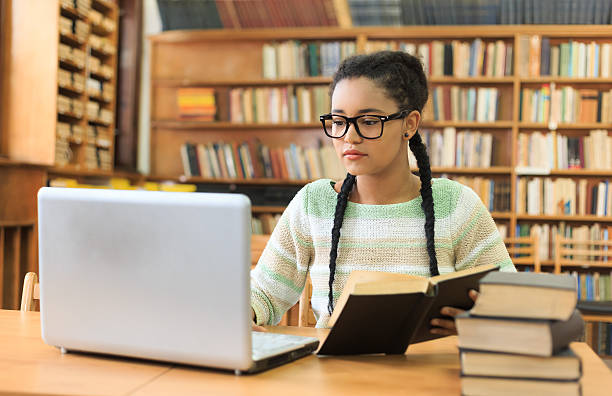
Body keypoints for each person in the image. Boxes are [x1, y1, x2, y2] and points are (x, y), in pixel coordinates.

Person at [250, 51, 515, 334]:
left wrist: (483, 320)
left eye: (369, 121)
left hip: (432, 371)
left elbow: (511, 301)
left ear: (409, 124)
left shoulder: (454, 205)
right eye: (339, 122)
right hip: (335, 373)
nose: (349, 136)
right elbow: (262, 294)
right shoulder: (314, 204)